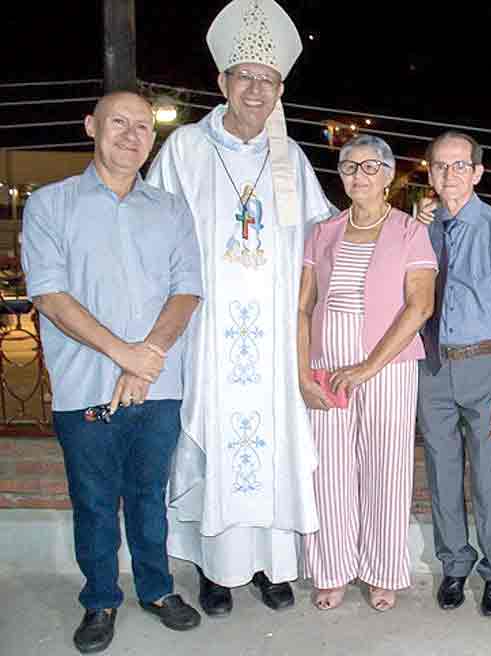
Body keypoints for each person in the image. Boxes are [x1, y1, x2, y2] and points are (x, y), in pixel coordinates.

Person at [146, 0, 334, 616]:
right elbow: (155, 235)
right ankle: (215, 572)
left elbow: (325, 238)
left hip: (277, 337)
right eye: (245, 77)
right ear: (222, 82)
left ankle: (271, 568)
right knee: (214, 444)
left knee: (274, 445)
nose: (256, 90)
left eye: (268, 80)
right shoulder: (185, 151)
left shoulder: (291, 159)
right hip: (210, 334)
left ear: (281, 88)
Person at [22, 91, 203, 653]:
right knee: (95, 501)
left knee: (150, 496)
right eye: (118, 123)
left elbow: (187, 289)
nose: (132, 135)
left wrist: (145, 358)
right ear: (90, 126)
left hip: (159, 383)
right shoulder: (50, 205)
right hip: (86, 386)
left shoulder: (171, 209)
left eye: (144, 127)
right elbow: (51, 296)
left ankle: (156, 588)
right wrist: (125, 356)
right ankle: (100, 598)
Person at [298, 134, 436, 611]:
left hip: (388, 365)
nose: (359, 175)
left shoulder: (408, 232)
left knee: (386, 468)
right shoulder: (322, 232)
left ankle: (382, 571)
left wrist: (366, 368)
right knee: (329, 471)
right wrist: (302, 375)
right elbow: (303, 306)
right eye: (349, 167)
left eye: (370, 167)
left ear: (389, 175)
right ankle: (332, 569)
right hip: (326, 365)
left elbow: (420, 306)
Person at [418, 130, 491, 617]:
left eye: (460, 165)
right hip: (431, 367)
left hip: (483, 367)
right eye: (441, 166)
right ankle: (454, 564)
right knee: (442, 473)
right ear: (429, 172)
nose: (450, 174)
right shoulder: (419, 230)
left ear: (478, 172)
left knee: (487, 474)